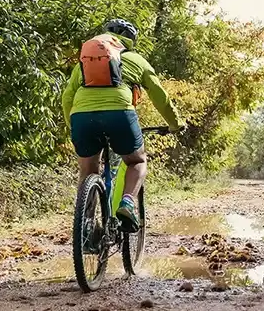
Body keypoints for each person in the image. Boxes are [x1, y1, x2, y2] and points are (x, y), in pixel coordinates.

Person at [61, 19, 183, 232]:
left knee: (88, 170)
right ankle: (127, 203)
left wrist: (71, 124)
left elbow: (67, 98)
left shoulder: (85, 62)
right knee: (136, 160)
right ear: (131, 41)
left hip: (81, 117)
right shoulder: (136, 59)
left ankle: (87, 225)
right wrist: (175, 124)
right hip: (120, 114)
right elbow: (159, 95)